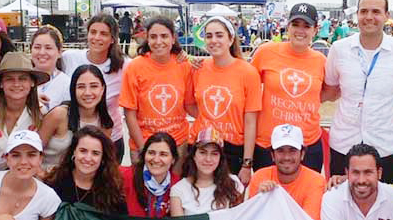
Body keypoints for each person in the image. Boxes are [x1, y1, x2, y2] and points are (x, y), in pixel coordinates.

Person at [324, 0, 393, 182]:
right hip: (344, 143)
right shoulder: (339, 49)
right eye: (363, 11)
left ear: (386, 15)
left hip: (386, 145)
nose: (369, 17)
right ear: (356, 14)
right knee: (342, 204)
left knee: (388, 206)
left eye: (376, 11)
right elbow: (331, 90)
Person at [251, 3, 332, 172]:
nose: (300, 31)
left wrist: (305, 100)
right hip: (269, 144)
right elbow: (247, 86)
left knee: (305, 196)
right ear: (287, 27)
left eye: (306, 26)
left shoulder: (322, 61)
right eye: (295, 25)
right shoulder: (265, 52)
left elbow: (331, 91)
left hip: (307, 144)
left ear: (315, 30)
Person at [187, 16, 261, 184]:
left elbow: (250, 122)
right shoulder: (198, 68)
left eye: (219, 35)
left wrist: (247, 164)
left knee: (231, 205)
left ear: (231, 39)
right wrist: (208, 119)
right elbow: (189, 104)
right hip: (201, 146)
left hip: (232, 150)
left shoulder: (248, 73)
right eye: (209, 36)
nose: (214, 40)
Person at [120, 17, 192, 169]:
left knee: (176, 190)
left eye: (164, 36)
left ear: (173, 38)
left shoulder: (183, 65)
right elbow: (130, 113)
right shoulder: (136, 67)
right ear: (147, 39)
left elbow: (190, 104)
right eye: (153, 37)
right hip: (145, 143)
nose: (159, 41)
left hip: (178, 144)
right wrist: (144, 149)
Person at [0, 52, 48, 176]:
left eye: (22, 78)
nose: (16, 84)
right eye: (9, 79)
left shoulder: (40, 113)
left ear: (32, 83)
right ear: (1, 83)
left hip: (17, 182)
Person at [61, 14, 126, 161]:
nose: (97, 37)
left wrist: (180, 55)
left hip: (111, 139)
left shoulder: (124, 66)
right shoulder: (69, 58)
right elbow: (46, 68)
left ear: (113, 39)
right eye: (93, 32)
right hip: (74, 138)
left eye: (103, 34)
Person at [39, 64, 114, 170]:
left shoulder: (105, 123)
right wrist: (42, 176)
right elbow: (33, 150)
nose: (87, 93)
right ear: (73, 90)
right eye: (81, 87)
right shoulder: (59, 115)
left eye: (94, 86)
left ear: (102, 89)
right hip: (46, 177)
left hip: (79, 180)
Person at [247, 124, 327, 220]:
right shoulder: (259, 176)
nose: (286, 157)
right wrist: (260, 200)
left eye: (292, 151)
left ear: (302, 154)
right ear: (272, 155)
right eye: (280, 151)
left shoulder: (316, 181)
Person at [44, 126, 127, 214]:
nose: (88, 158)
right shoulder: (54, 181)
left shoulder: (113, 189)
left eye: (95, 153)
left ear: (102, 158)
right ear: (74, 152)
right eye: (83, 151)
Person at [169, 127, 244, 216]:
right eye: (203, 152)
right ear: (194, 155)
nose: (208, 159)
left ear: (220, 158)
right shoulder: (179, 189)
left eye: (214, 154)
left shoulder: (234, 183)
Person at [121, 132, 180, 218]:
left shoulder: (177, 185)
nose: (156, 159)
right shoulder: (125, 176)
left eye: (163, 154)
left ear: (173, 159)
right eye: (151, 153)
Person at [30, 25, 70, 111]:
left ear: (59, 52)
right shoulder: (21, 79)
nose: (42, 52)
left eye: (48, 48)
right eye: (37, 47)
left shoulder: (66, 84)